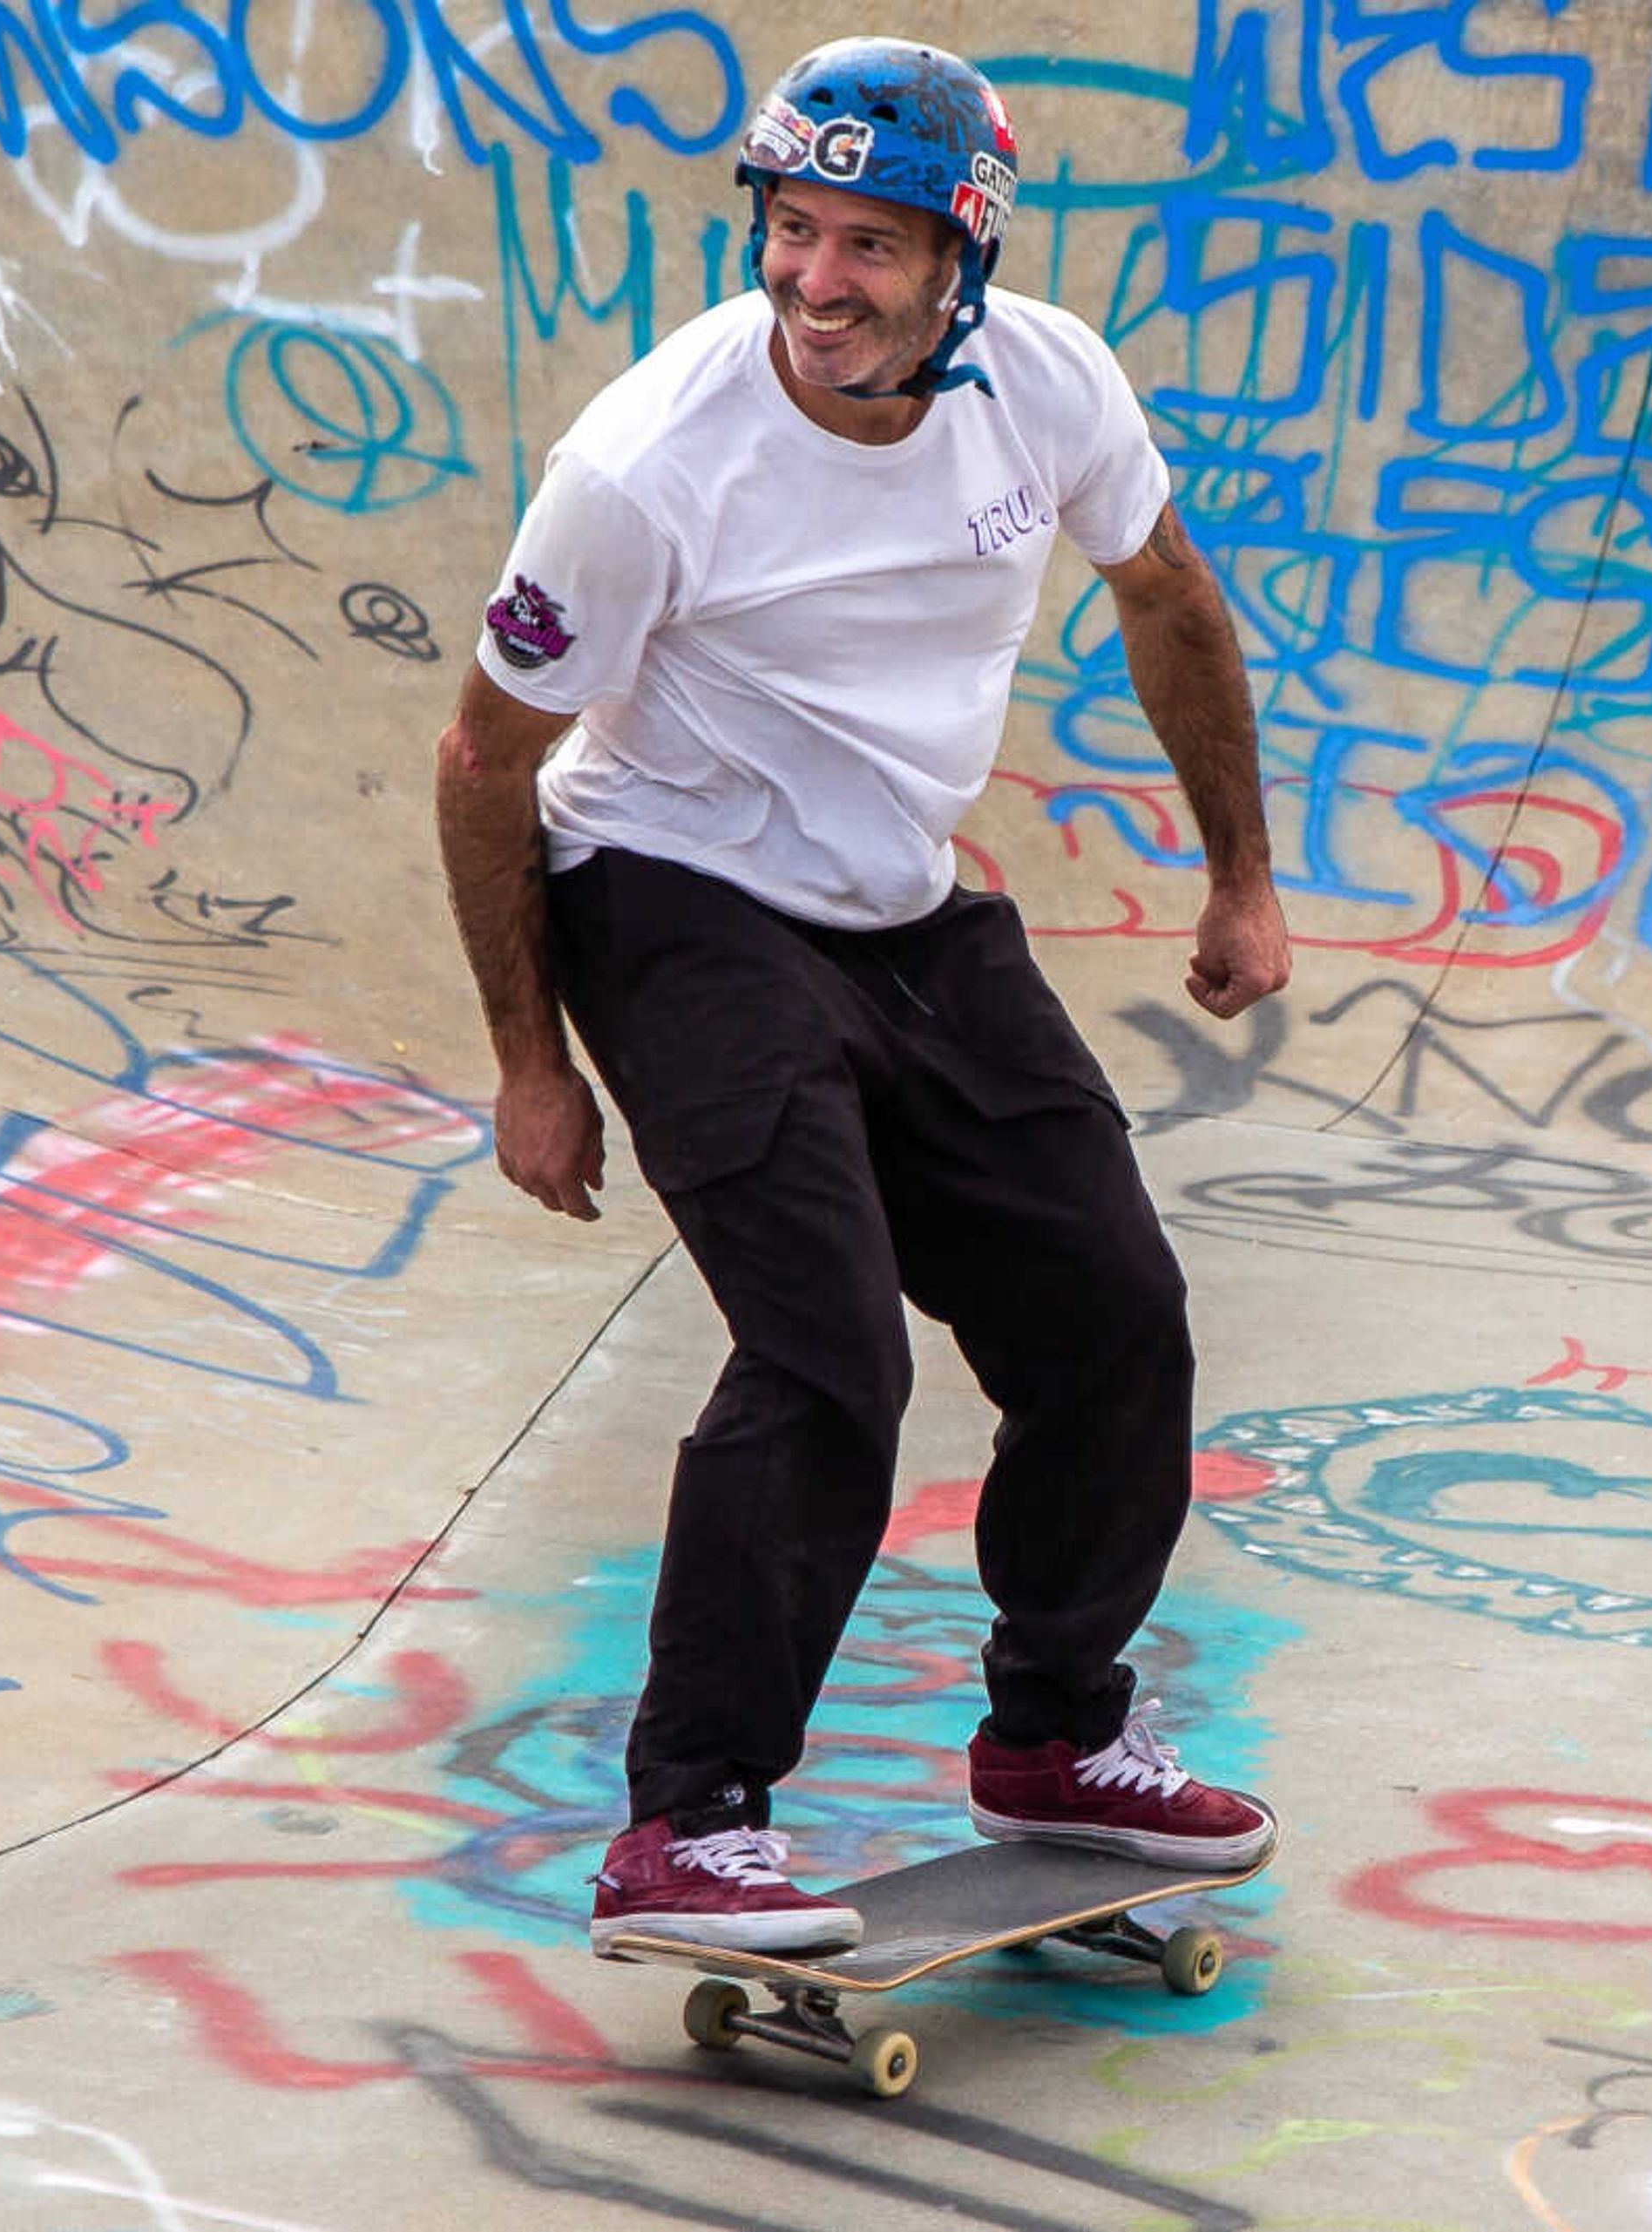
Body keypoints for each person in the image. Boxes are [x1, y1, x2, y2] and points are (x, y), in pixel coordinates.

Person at [434, 37, 1292, 1957]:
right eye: (793, 233)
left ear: (962, 262)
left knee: (1114, 1313)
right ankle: (689, 1821)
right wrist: (530, 1058)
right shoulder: (646, 465)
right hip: (671, 900)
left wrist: (1241, 870)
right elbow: (487, 759)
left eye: (870, 249)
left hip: (904, 910)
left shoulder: (1049, 385)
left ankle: (1058, 1733)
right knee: (831, 1354)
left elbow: (1166, 598)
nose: (816, 283)